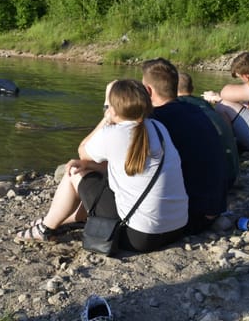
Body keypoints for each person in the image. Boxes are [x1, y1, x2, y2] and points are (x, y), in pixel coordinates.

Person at [16, 79, 188, 253]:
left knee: (74, 172)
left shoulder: (113, 133)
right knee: (88, 168)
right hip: (175, 229)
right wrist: (89, 165)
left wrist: (106, 118)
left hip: (139, 238)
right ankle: (70, 218)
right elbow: (126, 167)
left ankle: (46, 228)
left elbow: (82, 150)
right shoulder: (159, 128)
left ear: (113, 109)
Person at [142, 58, 228, 235]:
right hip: (215, 207)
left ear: (148, 90)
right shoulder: (196, 110)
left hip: (191, 216)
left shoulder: (156, 120)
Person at [177, 72, 240, 188]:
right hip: (232, 175)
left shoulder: (178, 107)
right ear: (192, 88)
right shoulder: (204, 104)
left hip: (212, 184)